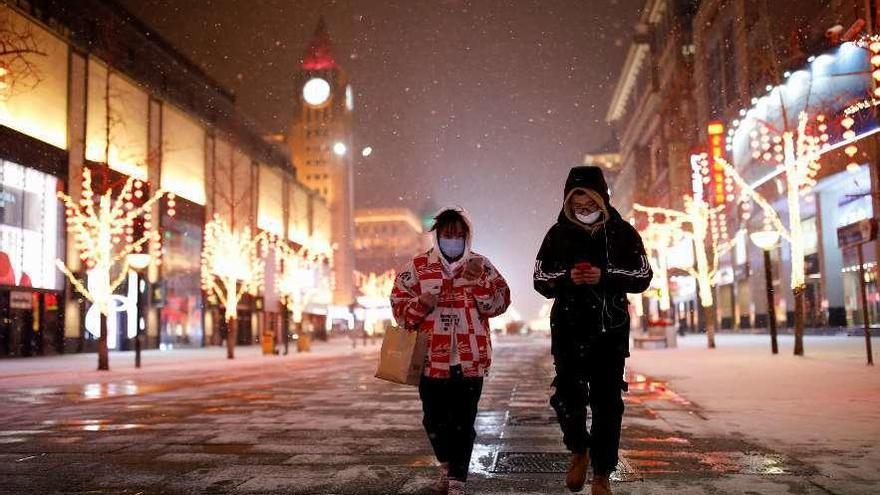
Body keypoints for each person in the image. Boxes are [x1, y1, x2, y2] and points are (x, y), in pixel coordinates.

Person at [533, 166, 652, 495]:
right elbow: (540, 280)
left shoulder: (623, 233)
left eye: (590, 205)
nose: (584, 212)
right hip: (569, 331)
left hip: (609, 333)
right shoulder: (556, 235)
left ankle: (602, 474)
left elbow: (642, 275)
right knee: (567, 398)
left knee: (607, 404)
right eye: (577, 206)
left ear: (603, 201)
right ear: (568, 204)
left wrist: (606, 276)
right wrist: (568, 278)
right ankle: (578, 450)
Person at [391, 206, 510, 495]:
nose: (453, 240)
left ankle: (457, 478)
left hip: (470, 359)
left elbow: (500, 303)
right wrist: (421, 303)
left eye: (459, 235)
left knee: (464, 420)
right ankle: (446, 463)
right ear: (437, 236)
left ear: (467, 237)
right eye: (448, 234)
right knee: (433, 419)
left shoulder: (482, 266)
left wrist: (478, 283)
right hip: (431, 359)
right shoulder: (416, 268)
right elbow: (400, 312)